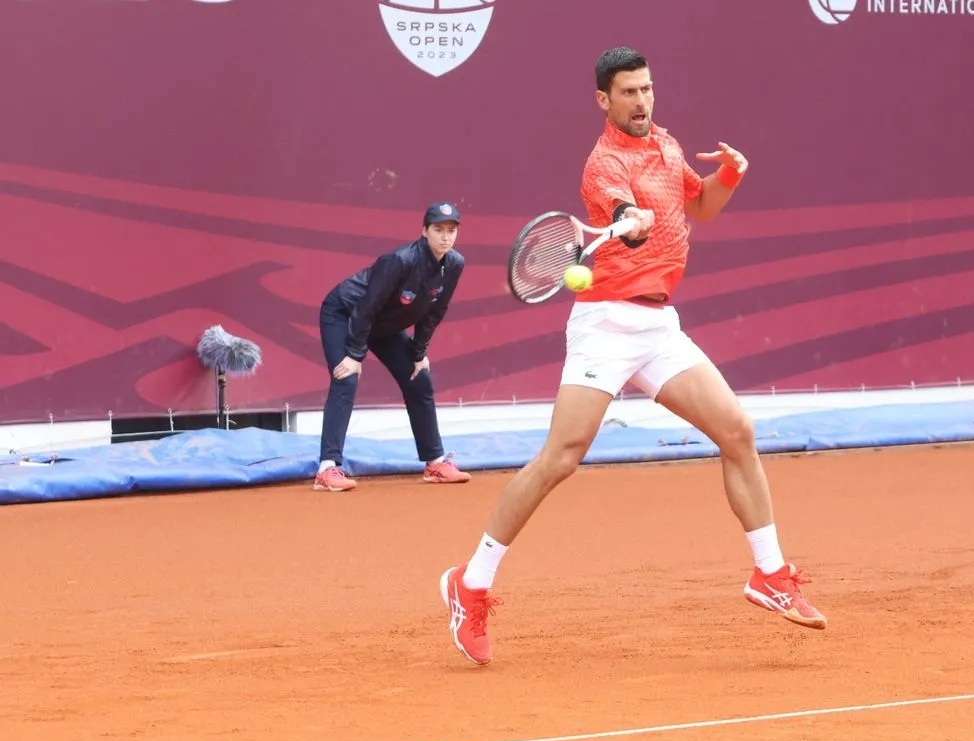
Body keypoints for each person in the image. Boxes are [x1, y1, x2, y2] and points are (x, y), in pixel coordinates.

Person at [437, 47, 826, 666]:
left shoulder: (669, 147)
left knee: (738, 431)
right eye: (628, 93)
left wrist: (728, 176)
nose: (641, 102)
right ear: (604, 100)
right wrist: (628, 218)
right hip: (606, 326)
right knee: (560, 458)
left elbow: (698, 207)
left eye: (647, 90)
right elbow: (621, 209)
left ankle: (769, 575)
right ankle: (472, 581)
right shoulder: (602, 163)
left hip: (658, 327)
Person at [312, 202, 472, 491]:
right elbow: (366, 307)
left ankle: (435, 463)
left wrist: (418, 353)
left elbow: (434, 311)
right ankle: (327, 468)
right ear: (424, 231)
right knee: (345, 377)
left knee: (418, 379)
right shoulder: (400, 260)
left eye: (451, 231)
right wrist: (354, 354)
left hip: (383, 325)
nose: (445, 237)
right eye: (438, 230)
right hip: (346, 313)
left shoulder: (455, 264)